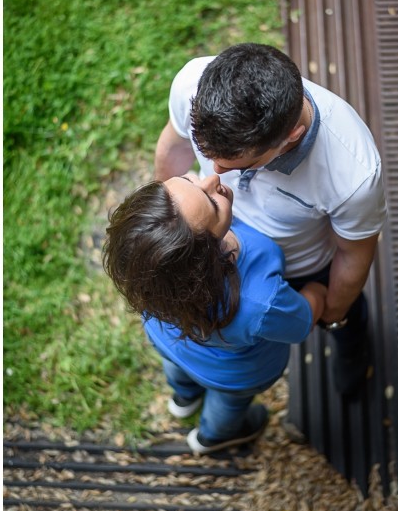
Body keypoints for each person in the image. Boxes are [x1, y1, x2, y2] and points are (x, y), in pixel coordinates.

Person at [154, 43, 385, 396]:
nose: (215, 175)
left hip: (304, 266)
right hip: (217, 239)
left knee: (349, 319)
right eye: (208, 155)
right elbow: (172, 148)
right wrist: (170, 221)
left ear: (292, 135)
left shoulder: (354, 174)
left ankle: (351, 351)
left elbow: (354, 254)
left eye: (236, 164)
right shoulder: (193, 85)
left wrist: (332, 313)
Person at [104, 174, 328, 455]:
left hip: (170, 343)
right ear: (206, 257)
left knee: (178, 369)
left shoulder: (154, 271)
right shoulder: (259, 300)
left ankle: (184, 398)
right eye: (211, 202)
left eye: (188, 178)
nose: (212, 178)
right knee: (228, 405)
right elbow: (301, 323)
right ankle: (214, 436)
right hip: (232, 374)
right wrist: (317, 292)